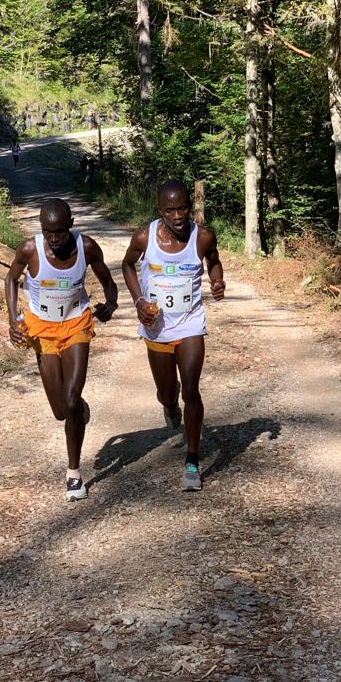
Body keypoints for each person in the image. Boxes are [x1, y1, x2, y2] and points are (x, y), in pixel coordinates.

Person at [5, 198, 118, 502]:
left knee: (70, 398)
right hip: (42, 328)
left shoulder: (87, 247)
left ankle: (74, 474)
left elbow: (108, 280)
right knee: (61, 411)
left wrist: (111, 303)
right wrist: (13, 319)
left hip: (76, 323)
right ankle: (77, 410)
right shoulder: (30, 249)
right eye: (48, 231)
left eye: (60, 231)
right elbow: (11, 279)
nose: (54, 238)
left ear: (71, 225)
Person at [121, 179, 225, 491]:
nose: (178, 216)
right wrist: (139, 301)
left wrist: (217, 281)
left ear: (190, 207)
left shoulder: (202, 237)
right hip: (157, 327)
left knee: (190, 389)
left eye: (182, 208)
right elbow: (127, 265)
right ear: (160, 210)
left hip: (190, 323)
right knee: (168, 393)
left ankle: (192, 462)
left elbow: (214, 261)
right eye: (170, 210)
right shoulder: (144, 237)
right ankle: (169, 405)